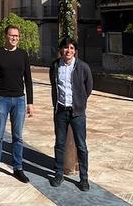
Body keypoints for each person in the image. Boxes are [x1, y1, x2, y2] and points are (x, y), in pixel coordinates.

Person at [0, 25, 34, 183]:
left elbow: (28, 79)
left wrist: (30, 102)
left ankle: (18, 168)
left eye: (17, 36)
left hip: (19, 100)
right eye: (11, 35)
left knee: (17, 137)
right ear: (6, 36)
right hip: (1, 100)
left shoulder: (23, 54)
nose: (14, 38)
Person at [48, 39, 93, 192]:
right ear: (61, 49)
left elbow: (88, 87)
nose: (69, 50)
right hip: (61, 111)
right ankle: (58, 174)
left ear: (75, 51)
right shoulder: (55, 66)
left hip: (77, 113)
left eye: (72, 48)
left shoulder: (83, 67)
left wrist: (80, 102)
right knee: (59, 144)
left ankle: (84, 178)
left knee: (81, 146)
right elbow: (54, 86)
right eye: (66, 47)